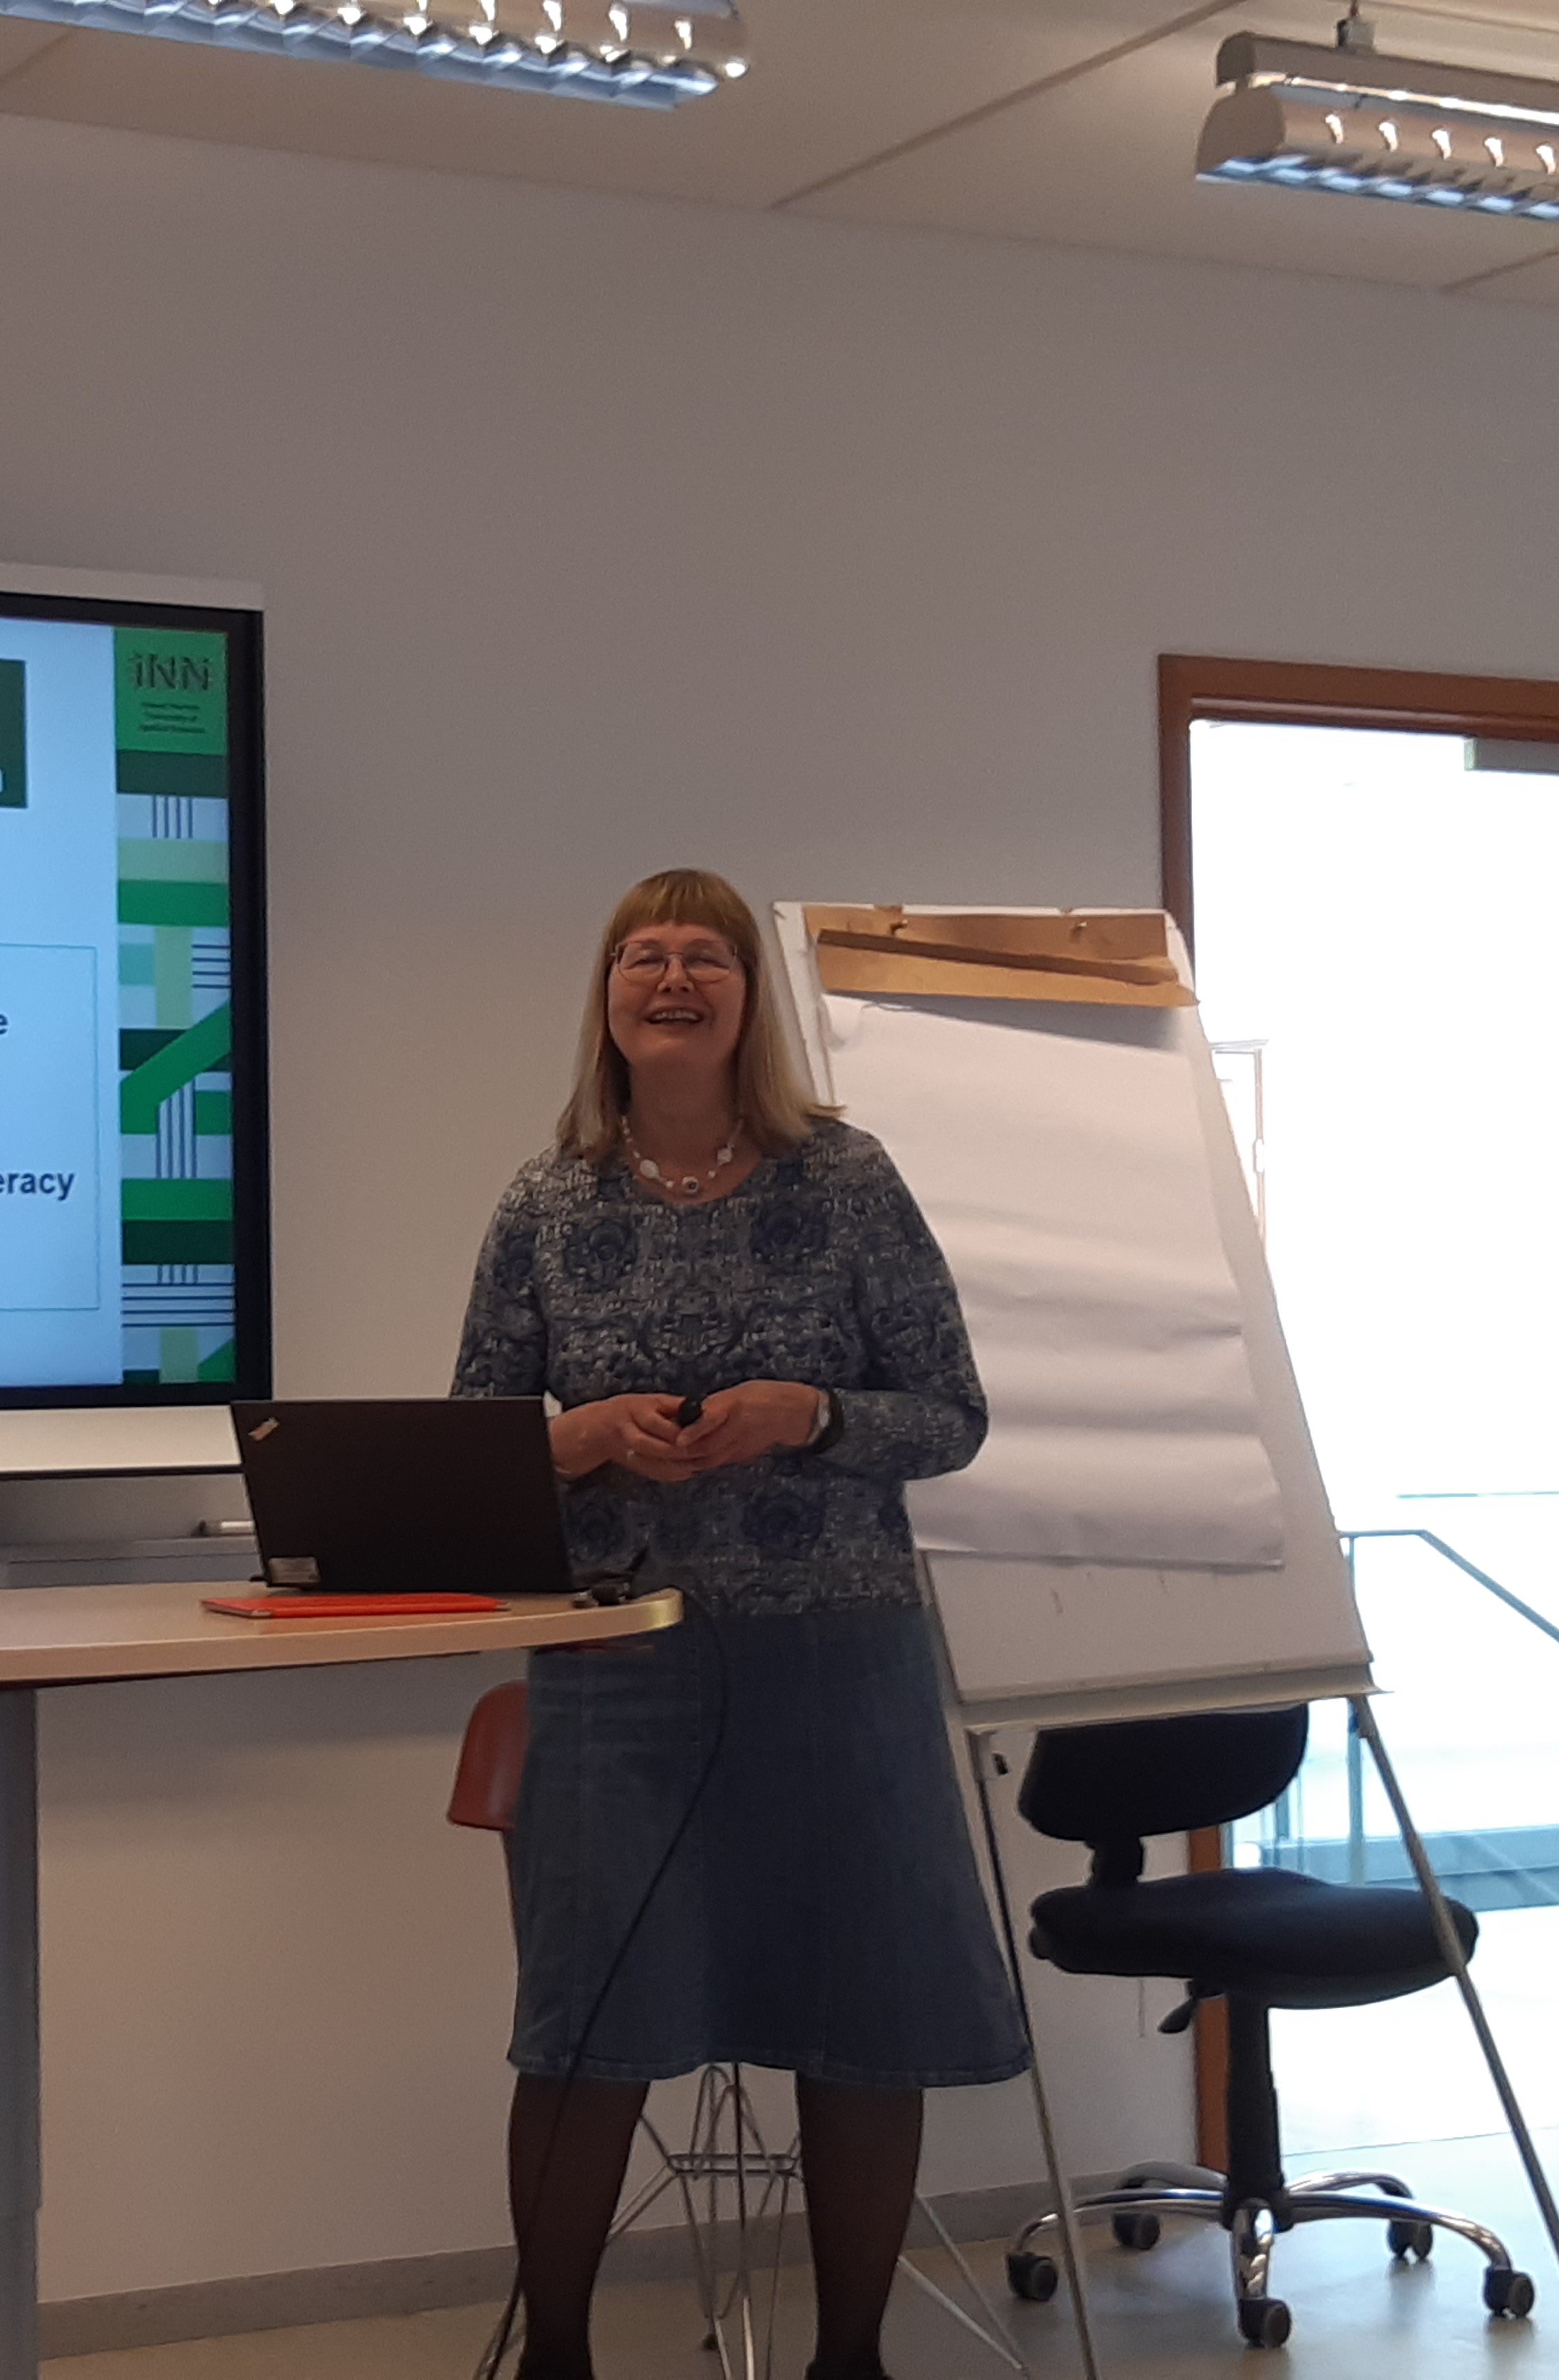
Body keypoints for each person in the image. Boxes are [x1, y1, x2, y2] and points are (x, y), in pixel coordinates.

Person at [452, 867, 1028, 2380]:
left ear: (748, 1002)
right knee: (586, 2030)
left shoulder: (846, 1179)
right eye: (643, 955)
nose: (674, 979)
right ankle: (556, 2360)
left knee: (864, 2013)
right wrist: (581, 1439)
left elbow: (952, 1415)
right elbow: (469, 1449)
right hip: (618, 1664)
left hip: (840, 1661)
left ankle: (853, 2360)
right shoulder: (545, 1201)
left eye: (706, 957)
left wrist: (810, 1414)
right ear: (608, 1000)